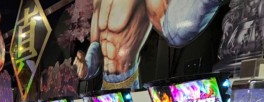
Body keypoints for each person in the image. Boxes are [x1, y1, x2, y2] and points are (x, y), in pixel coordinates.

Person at [74, 0, 222, 89]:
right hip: (104, 86)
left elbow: (173, 31)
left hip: (127, 85)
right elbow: (96, 44)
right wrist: (86, 67)